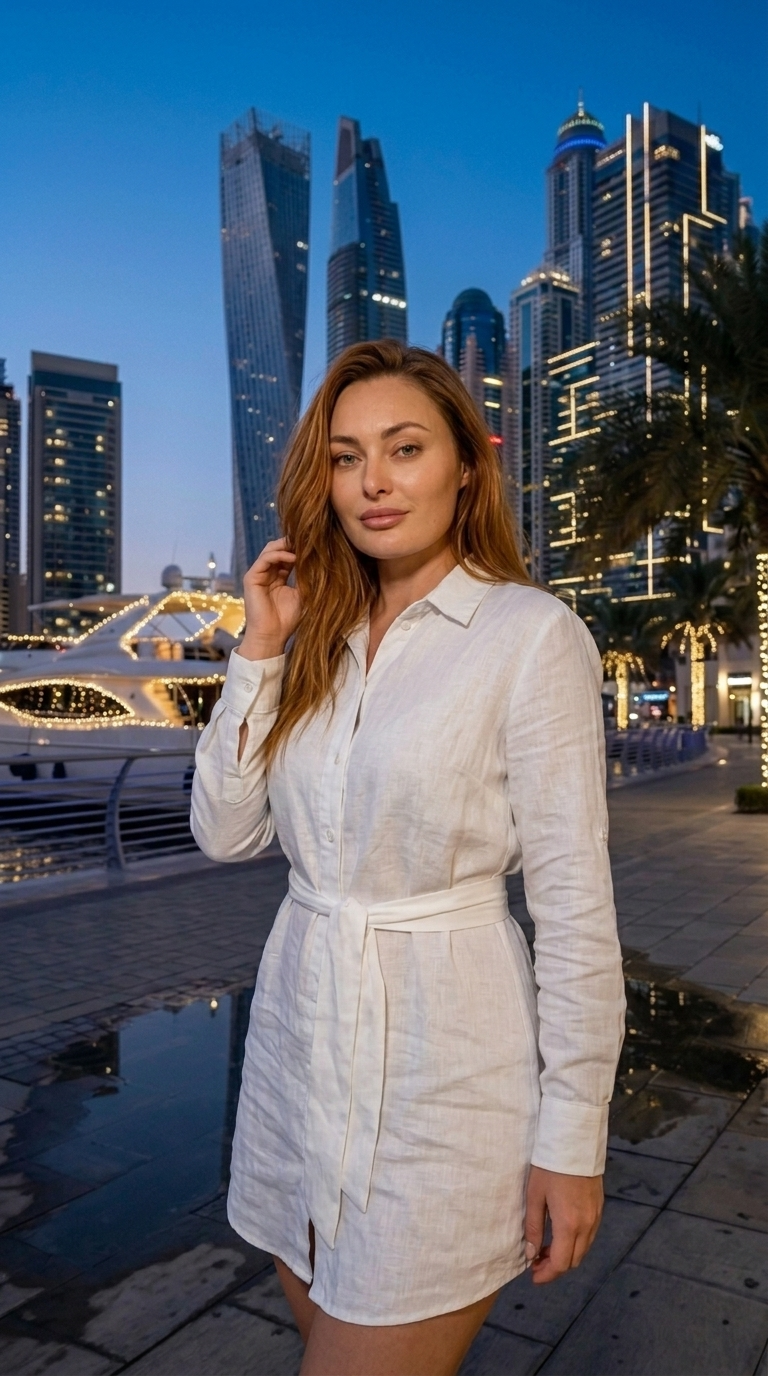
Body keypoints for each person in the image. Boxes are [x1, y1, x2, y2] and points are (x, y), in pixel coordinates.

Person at [191, 341, 625, 1376]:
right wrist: (260, 650)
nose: (373, 481)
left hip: (447, 1070)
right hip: (299, 1057)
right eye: (346, 458)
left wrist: (573, 1137)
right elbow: (225, 831)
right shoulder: (317, 638)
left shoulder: (530, 635)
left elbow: (573, 906)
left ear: (467, 465)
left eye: (404, 447)